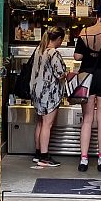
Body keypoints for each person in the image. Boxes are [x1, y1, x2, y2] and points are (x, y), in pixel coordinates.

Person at [74, 3, 101, 172]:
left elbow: (77, 57)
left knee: (87, 119)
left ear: (97, 16)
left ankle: (84, 160)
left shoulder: (84, 32)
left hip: (86, 77)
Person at [30, 25, 71, 168]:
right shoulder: (53, 53)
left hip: (37, 92)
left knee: (40, 123)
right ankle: (44, 157)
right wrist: (67, 73)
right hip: (49, 94)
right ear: (58, 38)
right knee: (47, 124)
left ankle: (37, 154)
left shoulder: (39, 50)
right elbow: (60, 74)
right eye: (62, 39)